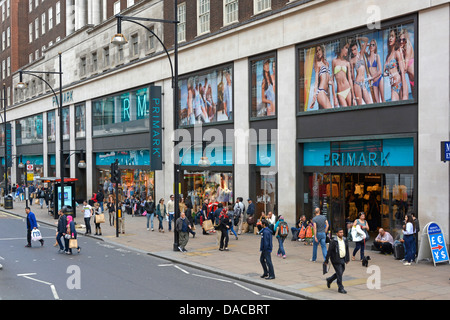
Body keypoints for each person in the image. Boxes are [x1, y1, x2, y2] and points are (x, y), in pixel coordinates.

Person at [325, 228, 350, 294]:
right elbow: (329, 251)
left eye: (342, 232)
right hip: (335, 259)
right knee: (339, 273)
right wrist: (326, 260)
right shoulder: (333, 241)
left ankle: (329, 279)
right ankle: (340, 288)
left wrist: (347, 259)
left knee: (341, 272)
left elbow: (347, 249)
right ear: (337, 234)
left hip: (342, 258)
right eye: (340, 232)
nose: (341, 233)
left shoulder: (345, 240)